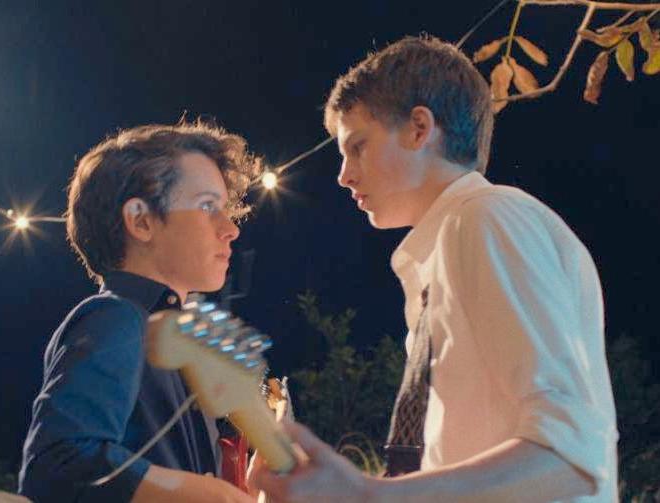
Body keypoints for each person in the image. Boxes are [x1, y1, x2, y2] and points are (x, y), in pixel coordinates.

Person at [251, 36, 618, 502]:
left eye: (358, 146)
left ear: (419, 129)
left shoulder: (486, 218)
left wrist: (369, 495)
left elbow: (570, 458)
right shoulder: (456, 237)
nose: (343, 175)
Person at [19, 122, 261, 502]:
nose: (231, 228)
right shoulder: (115, 317)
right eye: (207, 207)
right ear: (141, 221)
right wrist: (211, 494)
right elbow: (59, 465)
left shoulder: (183, 342)